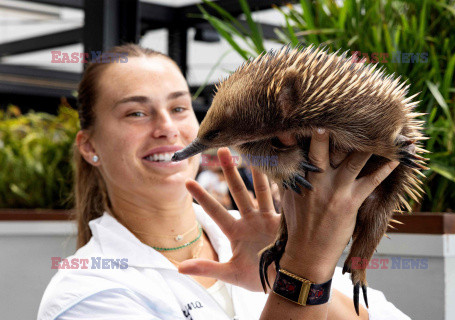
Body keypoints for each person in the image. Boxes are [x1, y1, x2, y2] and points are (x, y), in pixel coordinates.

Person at [37, 44, 410, 320]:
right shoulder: (86, 294)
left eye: (180, 107)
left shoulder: (262, 237)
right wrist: (305, 269)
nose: (168, 128)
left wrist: (289, 272)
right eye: (136, 112)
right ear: (89, 147)